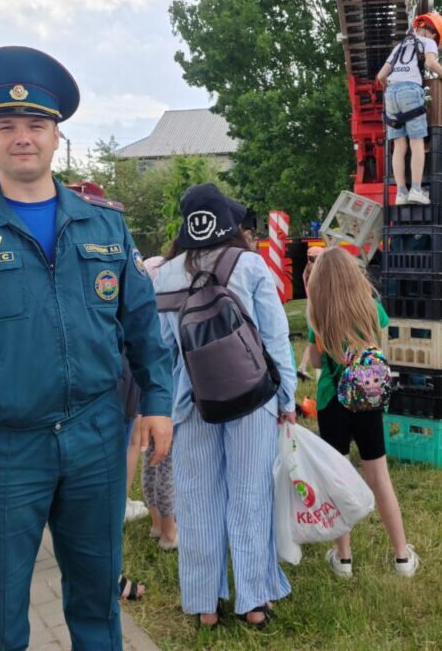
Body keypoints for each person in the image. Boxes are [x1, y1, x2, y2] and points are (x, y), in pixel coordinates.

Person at [0, 46, 173, 651]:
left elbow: (143, 321)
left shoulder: (104, 224)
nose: (23, 138)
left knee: (98, 603)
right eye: (7, 126)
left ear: (56, 136)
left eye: (36, 125)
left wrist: (157, 400)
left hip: (96, 438)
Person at [154, 182, 296, 629]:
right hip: (252, 397)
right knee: (250, 494)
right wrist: (287, 399)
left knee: (196, 498)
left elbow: (162, 348)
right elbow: (275, 339)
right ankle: (253, 600)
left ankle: (204, 604)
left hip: (189, 398)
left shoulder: (166, 274)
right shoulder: (249, 264)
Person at [305, 247, 419, 579]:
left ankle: (343, 558)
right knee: (379, 477)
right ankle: (401, 556)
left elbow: (314, 361)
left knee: (337, 478)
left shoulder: (319, 315)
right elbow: (377, 345)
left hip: (331, 403)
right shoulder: (371, 308)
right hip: (367, 400)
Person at [376, 12, 442, 205]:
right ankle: (417, 190)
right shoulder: (427, 42)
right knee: (416, 142)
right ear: (433, 33)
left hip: (391, 92)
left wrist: (393, 88)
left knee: (399, 146)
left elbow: (380, 77)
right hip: (410, 90)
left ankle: (401, 193)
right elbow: (430, 62)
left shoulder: (400, 46)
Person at [139, 255, 177, 551]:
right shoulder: (162, 313)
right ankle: (168, 532)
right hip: (167, 399)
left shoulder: (141, 316)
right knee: (165, 465)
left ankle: (155, 524)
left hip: (147, 397)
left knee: (151, 461)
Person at [296, 245, 324, 381]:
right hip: (318, 308)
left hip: (310, 308)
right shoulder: (318, 274)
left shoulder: (306, 271)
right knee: (317, 339)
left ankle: (302, 367)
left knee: (313, 339)